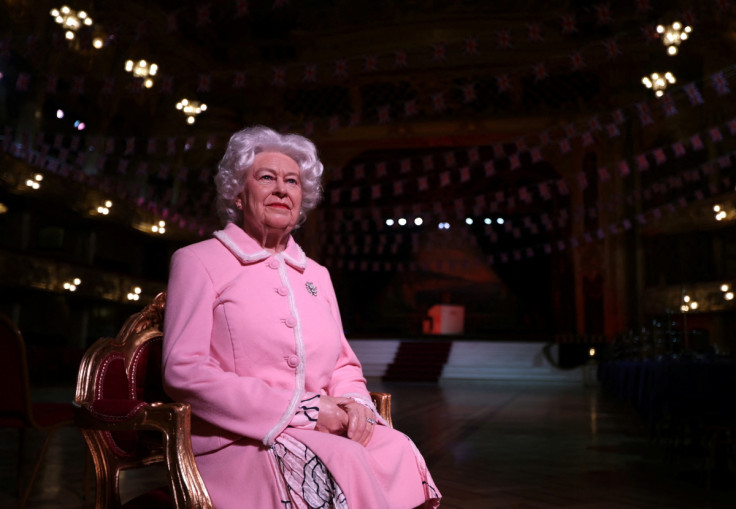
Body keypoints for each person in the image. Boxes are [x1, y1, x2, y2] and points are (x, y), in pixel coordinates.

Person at [162, 125, 441, 509]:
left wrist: (354, 403)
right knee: (345, 458)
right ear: (238, 194)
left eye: (292, 181)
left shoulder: (317, 274)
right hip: (240, 439)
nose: (281, 189)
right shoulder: (198, 261)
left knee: (398, 447)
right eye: (266, 178)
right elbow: (184, 370)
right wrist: (302, 410)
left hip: (321, 426)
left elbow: (343, 362)